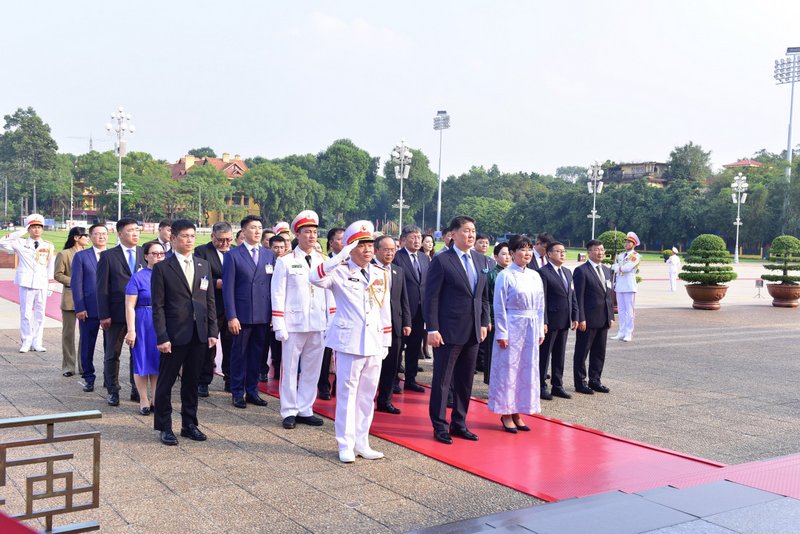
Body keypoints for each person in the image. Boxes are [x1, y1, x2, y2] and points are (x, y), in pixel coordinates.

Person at [309, 220, 391, 462]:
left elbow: (383, 308)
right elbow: (314, 278)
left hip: (374, 341)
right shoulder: (339, 272)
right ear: (350, 247)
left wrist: (386, 340)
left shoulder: (381, 273)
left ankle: (362, 441)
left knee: (367, 396)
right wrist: (339, 256)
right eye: (361, 245)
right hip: (349, 341)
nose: (367, 250)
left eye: (369, 245)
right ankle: (345, 443)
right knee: (347, 394)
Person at [151, 219, 218, 446]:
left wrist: (212, 330)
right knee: (166, 383)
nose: (189, 240)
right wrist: (162, 336)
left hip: (198, 334)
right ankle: (164, 426)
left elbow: (208, 300)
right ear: (173, 239)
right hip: (173, 334)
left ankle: (189, 424)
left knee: (191, 382)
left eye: (192, 236)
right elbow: (157, 306)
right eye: (184, 236)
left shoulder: (203, 265)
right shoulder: (162, 268)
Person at [424, 216, 490, 444]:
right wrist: (432, 328)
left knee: (465, 381)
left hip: (473, 331)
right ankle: (440, 425)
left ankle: (459, 423)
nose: (470, 235)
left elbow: (483, 297)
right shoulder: (442, 261)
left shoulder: (482, 261)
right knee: (443, 381)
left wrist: (484, 322)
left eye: (473, 230)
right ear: (453, 234)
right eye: (465, 231)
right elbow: (431, 297)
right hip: (448, 331)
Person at [271, 210, 333, 430]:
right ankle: (289, 410)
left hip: (317, 322)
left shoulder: (322, 261)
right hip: (294, 323)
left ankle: (305, 408)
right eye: (307, 232)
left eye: (315, 232)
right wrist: (279, 324)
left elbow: (329, 293)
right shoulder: (286, 261)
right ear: (297, 234)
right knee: (289, 369)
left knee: (312, 368)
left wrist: (331, 323)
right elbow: (277, 293)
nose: (312, 236)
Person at [488, 235, 545, 433]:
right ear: (512, 253)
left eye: (529, 249)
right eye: (522, 249)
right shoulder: (506, 275)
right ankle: (506, 413)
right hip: (512, 326)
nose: (527, 253)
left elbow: (540, 306)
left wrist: (539, 329)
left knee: (525, 371)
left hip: (530, 327)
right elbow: (499, 306)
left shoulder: (534, 276)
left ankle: (519, 410)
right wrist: (502, 332)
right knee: (509, 371)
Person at [222, 215, 275, 409]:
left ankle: (252, 390)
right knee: (239, 354)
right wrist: (231, 316)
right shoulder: (233, 255)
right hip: (242, 315)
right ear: (243, 232)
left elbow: (273, 287)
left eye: (260, 227)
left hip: (262, 314)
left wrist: (273, 315)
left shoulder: (269, 255)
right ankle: (237, 391)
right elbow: (228, 289)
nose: (258, 231)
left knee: (257, 354)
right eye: (253, 227)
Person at [96, 217, 144, 406]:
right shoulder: (108, 256)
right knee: (112, 353)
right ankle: (113, 389)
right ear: (120, 233)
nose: (135, 233)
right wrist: (104, 314)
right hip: (115, 314)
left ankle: (136, 389)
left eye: (137, 230)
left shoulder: (143, 253)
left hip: (140, 313)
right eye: (131, 230)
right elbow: (102, 288)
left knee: (137, 353)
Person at [0, 213, 56, 353]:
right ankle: (26, 341)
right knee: (25, 313)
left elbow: (50, 265)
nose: (36, 230)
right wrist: (21, 231)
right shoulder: (20, 243)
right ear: (28, 228)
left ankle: (37, 342)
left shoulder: (48, 245)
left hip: (42, 282)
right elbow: (2, 242)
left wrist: (51, 282)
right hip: (26, 282)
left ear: (42, 229)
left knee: (40, 314)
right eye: (33, 227)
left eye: (39, 227)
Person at [124, 241, 165, 415]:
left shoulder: (168, 275)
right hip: (143, 321)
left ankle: (156, 398)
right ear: (146, 256)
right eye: (154, 253)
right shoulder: (138, 277)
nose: (158, 257)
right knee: (142, 361)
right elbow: (129, 306)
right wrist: (131, 330)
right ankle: (143, 398)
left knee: (158, 362)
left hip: (161, 322)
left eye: (161, 253)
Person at [372, 235, 411, 415]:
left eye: (393, 249)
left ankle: (385, 400)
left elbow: (404, 299)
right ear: (376, 250)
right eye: (386, 250)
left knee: (391, 365)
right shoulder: (368, 269)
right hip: (372, 325)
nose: (390, 253)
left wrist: (406, 322)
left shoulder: (397, 270)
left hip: (394, 325)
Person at [194, 221, 234, 394]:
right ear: (212, 237)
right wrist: (215, 283)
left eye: (228, 240)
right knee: (209, 344)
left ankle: (230, 379)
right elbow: (197, 277)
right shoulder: (202, 252)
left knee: (231, 344)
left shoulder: (235, 251)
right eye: (220, 240)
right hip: (211, 304)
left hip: (231, 307)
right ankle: (204, 380)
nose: (224, 244)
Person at [573, 239, 614, 395]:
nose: (600, 252)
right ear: (589, 251)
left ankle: (595, 380)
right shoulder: (581, 271)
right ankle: (580, 382)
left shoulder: (606, 270)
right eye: (597, 250)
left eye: (602, 249)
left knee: (599, 352)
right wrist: (580, 318)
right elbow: (578, 296)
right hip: (588, 319)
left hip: (603, 318)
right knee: (582, 352)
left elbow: (608, 295)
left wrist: (610, 315)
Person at [538, 241, 578, 400]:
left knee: (560, 354)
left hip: (565, 319)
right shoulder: (543, 273)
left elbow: (572, 296)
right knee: (544, 354)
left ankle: (558, 385)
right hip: (550, 320)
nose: (562, 254)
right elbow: (543, 299)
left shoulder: (568, 272)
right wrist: (544, 321)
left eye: (564, 251)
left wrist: (575, 315)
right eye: (558, 251)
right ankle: (541, 385)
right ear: (549, 254)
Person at [393, 225, 430, 392]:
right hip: (401, 310)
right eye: (413, 237)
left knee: (414, 346)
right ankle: (393, 380)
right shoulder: (397, 257)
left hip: (420, 310)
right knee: (398, 347)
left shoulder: (424, 258)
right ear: (403, 240)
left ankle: (411, 378)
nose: (417, 241)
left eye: (419, 238)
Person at [72, 223, 108, 392]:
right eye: (97, 234)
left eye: (104, 234)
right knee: (87, 344)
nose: (101, 237)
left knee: (111, 347)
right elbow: (76, 284)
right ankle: (88, 377)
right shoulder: (82, 256)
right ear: (91, 236)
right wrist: (80, 307)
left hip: (110, 309)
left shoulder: (113, 255)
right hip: (89, 308)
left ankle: (109, 378)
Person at [55, 226, 89, 376]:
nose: (88, 238)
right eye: (85, 235)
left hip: (87, 299)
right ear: (76, 237)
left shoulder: (89, 254)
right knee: (68, 334)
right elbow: (58, 275)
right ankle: (69, 366)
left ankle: (84, 366)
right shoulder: (64, 254)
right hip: (70, 298)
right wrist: (76, 281)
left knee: (86, 334)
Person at [318, 226, 345, 400]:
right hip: (326, 313)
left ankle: (338, 385)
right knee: (325, 354)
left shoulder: (353, 263)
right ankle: (323, 386)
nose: (344, 243)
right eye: (340, 239)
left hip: (345, 314)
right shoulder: (324, 263)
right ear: (331, 242)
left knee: (343, 354)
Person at [483, 241, 511, 385]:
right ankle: (491, 381)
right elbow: (486, 298)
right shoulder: (492, 275)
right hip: (494, 318)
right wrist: (487, 319)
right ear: (495, 256)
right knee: (492, 352)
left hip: (510, 318)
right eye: (503, 254)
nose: (507, 257)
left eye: (509, 254)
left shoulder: (513, 273)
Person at [611, 231, 641, 342]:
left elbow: (627, 268)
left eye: (629, 242)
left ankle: (628, 332)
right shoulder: (621, 255)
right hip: (620, 284)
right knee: (621, 310)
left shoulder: (635, 256)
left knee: (629, 311)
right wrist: (617, 267)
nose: (627, 244)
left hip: (629, 285)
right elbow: (618, 265)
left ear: (634, 244)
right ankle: (621, 332)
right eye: (626, 242)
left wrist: (617, 268)